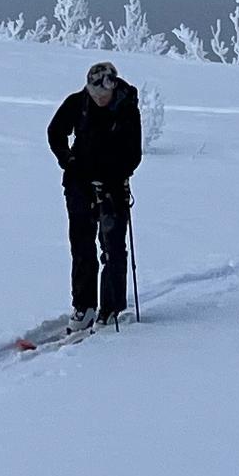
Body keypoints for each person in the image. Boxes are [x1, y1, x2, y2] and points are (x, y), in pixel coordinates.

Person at [46, 59, 142, 325]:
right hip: (79, 184)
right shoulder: (77, 102)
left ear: (113, 89)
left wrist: (111, 175)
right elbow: (55, 133)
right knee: (81, 245)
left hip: (114, 186)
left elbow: (133, 153)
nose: (100, 98)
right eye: (95, 93)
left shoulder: (126, 107)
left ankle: (111, 309)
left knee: (112, 248)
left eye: (104, 94)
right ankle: (84, 306)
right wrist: (69, 161)